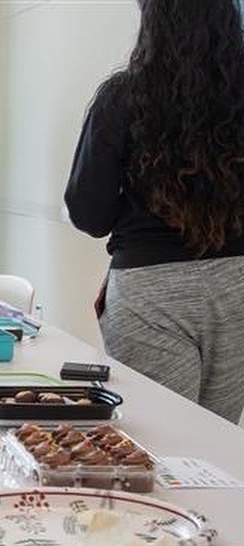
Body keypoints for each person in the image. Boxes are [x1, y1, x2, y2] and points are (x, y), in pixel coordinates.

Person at [65, 0, 244, 424]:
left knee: (160, 443)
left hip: (150, 291)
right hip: (238, 285)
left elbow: (89, 214)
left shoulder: (124, 98)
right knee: (216, 445)